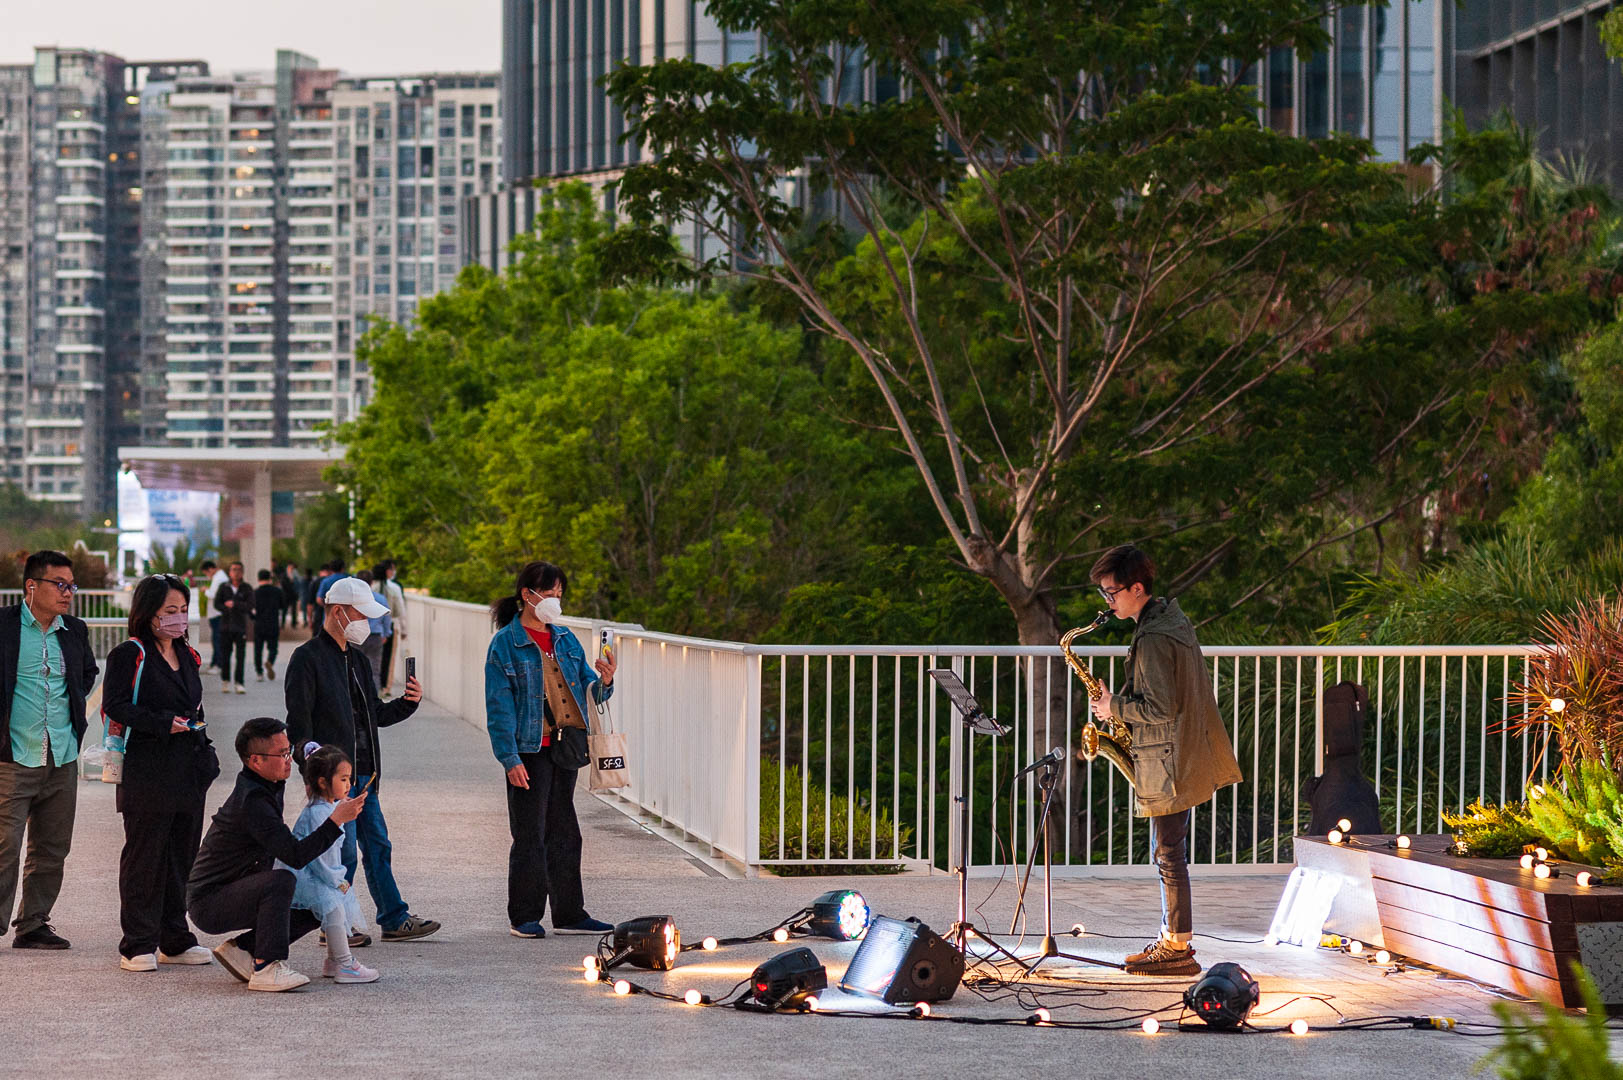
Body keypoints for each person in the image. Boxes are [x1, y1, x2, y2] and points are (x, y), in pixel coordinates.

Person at [1089, 544, 1243, 977]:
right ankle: (1173, 940)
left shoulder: (1155, 638)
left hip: (1168, 758)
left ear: (1137, 588)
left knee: (1169, 854)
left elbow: (1160, 708)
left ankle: (1176, 947)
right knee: (1169, 851)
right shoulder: (1168, 621)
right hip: (1177, 752)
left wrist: (1112, 708)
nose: (1108, 602)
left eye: (1111, 592)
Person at [284, 576, 439, 943]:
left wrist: (408, 703)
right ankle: (337, 924)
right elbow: (298, 726)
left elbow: (375, 715)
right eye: (360, 614)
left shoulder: (356, 658)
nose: (366, 624)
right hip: (334, 778)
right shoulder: (307, 658)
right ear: (338, 612)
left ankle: (392, 917)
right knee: (343, 854)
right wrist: (314, 763)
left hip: (365, 775)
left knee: (377, 846)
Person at [485, 561, 616, 939]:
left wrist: (605, 681)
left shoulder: (565, 639)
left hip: (566, 746)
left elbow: (590, 689)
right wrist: (509, 758)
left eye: (560, 593)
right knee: (530, 833)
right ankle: (524, 916)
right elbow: (498, 707)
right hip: (529, 749)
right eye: (550, 593)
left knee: (565, 831)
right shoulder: (505, 645)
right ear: (527, 595)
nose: (556, 601)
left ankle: (569, 913)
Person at [187, 717, 368, 991]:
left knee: (315, 900)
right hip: (210, 901)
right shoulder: (253, 802)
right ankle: (266, 966)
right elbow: (294, 854)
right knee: (282, 881)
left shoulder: (267, 783)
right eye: (281, 754)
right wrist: (336, 821)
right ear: (255, 761)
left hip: (239, 886)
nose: (288, 760)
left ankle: (244, 950)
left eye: (289, 751)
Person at [102, 575, 220, 971]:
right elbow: (115, 705)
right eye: (171, 611)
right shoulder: (129, 654)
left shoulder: (188, 655)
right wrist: (161, 722)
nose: (179, 618)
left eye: (183, 610)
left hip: (187, 769)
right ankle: (137, 942)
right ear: (148, 613)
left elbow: (196, 706)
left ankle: (175, 937)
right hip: (147, 769)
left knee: (181, 856)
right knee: (144, 857)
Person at [0, 551, 97, 950]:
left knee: (52, 846)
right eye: (60, 584)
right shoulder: (3, 625)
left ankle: (33, 924)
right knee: (4, 846)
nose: (68, 593)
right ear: (31, 586)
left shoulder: (74, 629)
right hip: (13, 756)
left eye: (71, 585)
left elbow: (87, 673)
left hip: (62, 754)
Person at [277, 744, 378, 984]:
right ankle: (345, 963)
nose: (349, 784)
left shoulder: (329, 808)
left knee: (337, 908)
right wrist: (337, 880)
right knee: (333, 908)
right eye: (343, 779)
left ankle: (335, 961)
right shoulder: (321, 813)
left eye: (349, 778)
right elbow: (321, 858)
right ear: (323, 782)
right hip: (309, 875)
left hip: (317, 873)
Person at [213, 562, 254, 695]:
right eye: (233, 570)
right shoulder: (223, 587)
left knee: (240, 656)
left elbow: (250, 605)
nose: (236, 572)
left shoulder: (246, 588)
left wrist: (235, 604)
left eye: (238, 570)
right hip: (225, 627)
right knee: (225, 655)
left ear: (242, 572)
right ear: (230, 572)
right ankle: (225, 680)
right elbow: (217, 604)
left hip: (240, 627)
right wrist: (226, 607)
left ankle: (239, 683)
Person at [353, 570, 390, 692]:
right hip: (375, 636)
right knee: (375, 669)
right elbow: (386, 617)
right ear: (371, 582)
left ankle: (357, 693)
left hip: (356, 635)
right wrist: (386, 633)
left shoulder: (353, 599)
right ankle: (374, 696)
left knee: (355, 667)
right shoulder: (380, 598)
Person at [377, 560, 407, 697]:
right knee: (388, 658)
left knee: (374, 657)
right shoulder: (394, 588)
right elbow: (400, 610)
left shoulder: (370, 587)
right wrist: (404, 629)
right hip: (390, 625)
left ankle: (374, 684)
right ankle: (385, 687)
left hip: (373, 626)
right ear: (388, 571)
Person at [252, 569, 284, 682]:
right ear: (270, 579)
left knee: (258, 649)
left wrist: (254, 619)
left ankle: (259, 673)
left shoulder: (255, 592)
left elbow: (250, 609)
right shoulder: (277, 591)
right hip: (273, 623)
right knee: (273, 648)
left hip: (259, 624)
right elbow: (282, 606)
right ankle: (270, 661)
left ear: (258, 579)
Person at [202, 560, 226, 674]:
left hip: (217, 614)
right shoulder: (219, 577)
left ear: (210, 569)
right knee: (215, 639)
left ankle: (218, 665)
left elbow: (213, 594)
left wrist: (205, 590)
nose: (207, 576)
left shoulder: (219, 578)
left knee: (217, 640)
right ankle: (214, 663)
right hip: (215, 614)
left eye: (206, 573)